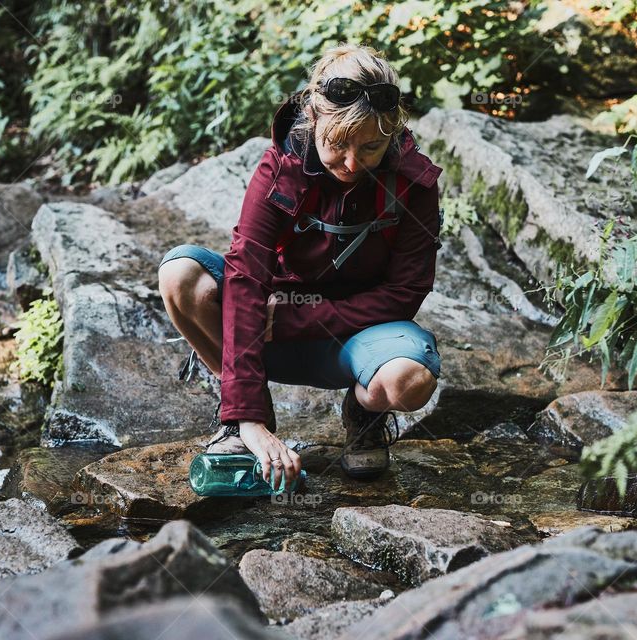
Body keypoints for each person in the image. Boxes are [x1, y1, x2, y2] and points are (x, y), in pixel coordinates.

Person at [158, 43, 443, 491]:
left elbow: (404, 294)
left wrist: (295, 318)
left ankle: (364, 416)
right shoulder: (282, 166)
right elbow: (245, 274)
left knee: (409, 380)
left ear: (393, 129)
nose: (352, 163)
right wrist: (247, 415)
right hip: (266, 326)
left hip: (349, 337)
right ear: (314, 117)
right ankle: (242, 422)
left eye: (370, 147)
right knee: (180, 275)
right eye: (338, 144)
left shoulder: (414, 183)